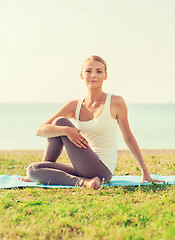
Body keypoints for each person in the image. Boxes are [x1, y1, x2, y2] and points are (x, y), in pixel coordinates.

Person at [19, 55, 164, 189]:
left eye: (99, 71)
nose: (93, 75)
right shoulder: (74, 105)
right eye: (88, 71)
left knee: (60, 121)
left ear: (105, 76)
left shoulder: (116, 102)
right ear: (81, 75)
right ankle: (76, 178)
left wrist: (145, 172)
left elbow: (128, 137)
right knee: (33, 169)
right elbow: (40, 130)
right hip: (83, 165)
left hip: (102, 170)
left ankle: (84, 180)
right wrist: (67, 131)